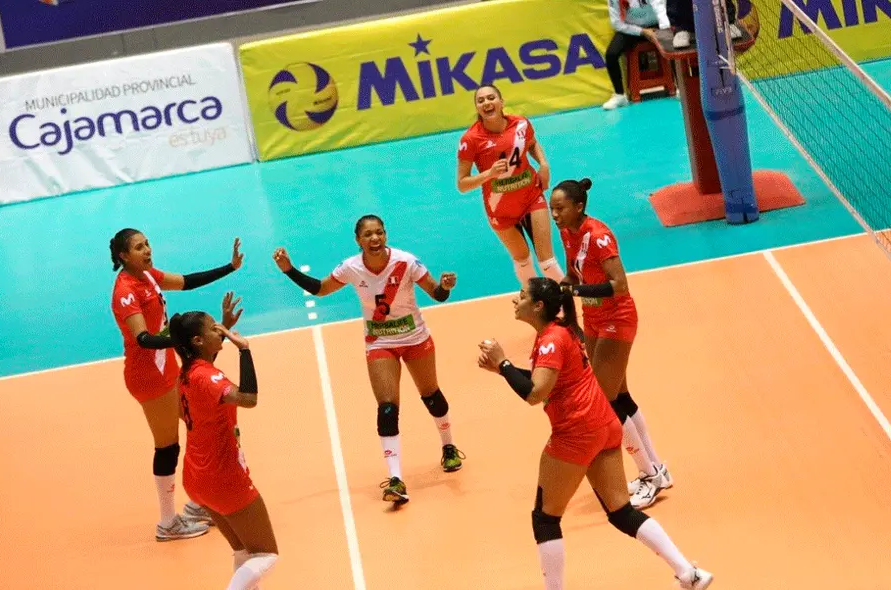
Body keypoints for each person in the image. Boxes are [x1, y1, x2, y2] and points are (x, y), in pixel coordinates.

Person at [477, 278, 713, 590]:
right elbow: (548, 381)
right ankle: (689, 573)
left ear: (537, 306)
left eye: (521, 296)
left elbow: (535, 393)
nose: (514, 301)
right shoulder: (560, 333)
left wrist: (503, 361)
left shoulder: (550, 340)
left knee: (545, 519)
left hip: (576, 433)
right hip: (604, 426)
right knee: (621, 512)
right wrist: (502, 371)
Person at [272, 214, 463, 504]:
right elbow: (321, 289)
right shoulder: (351, 268)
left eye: (380, 233)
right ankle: (396, 479)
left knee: (432, 396)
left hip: (415, 339)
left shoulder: (406, 261)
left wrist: (446, 286)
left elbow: (437, 294)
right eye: (368, 235)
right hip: (380, 342)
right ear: (358, 240)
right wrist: (289, 270)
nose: (375, 239)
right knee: (387, 408)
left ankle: (448, 447)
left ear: (385, 235)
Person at [109, 227, 244, 540]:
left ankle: (198, 504)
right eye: (139, 247)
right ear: (123, 256)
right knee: (168, 445)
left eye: (147, 244)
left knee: (203, 425)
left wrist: (230, 267)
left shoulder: (148, 275)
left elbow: (186, 281)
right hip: (148, 376)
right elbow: (144, 339)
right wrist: (184, 338)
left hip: (167, 368)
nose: (147, 250)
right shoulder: (126, 291)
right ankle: (168, 522)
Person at [548, 179, 671, 509]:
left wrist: (575, 292)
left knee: (604, 402)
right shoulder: (568, 233)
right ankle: (658, 468)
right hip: (594, 319)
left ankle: (650, 476)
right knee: (620, 395)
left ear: (578, 207)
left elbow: (619, 285)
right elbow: (575, 276)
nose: (555, 215)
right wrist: (560, 291)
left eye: (560, 208)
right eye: (552, 209)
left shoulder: (599, 237)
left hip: (617, 318)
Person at [168, 303, 279, 590]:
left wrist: (222, 329)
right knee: (266, 554)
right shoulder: (208, 377)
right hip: (224, 477)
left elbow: (206, 375)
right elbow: (248, 398)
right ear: (198, 340)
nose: (221, 330)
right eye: (214, 327)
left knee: (243, 552)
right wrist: (244, 349)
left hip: (196, 478)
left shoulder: (187, 373)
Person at [456, 84, 565, 288]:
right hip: (500, 208)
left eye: (491, 98)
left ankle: (570, 301)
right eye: (481, 101)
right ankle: (538, 306)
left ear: (501, 102)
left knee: (547, 262)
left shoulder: (521, 124)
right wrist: (489, 174)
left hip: (531, 195)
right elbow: (462, 184)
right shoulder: (470, 139)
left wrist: (543, 164)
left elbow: (531, 144)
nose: (487, 103)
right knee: (523, 259)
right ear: (477, 108)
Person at [602, 0, 671, 111]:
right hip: (631, 28)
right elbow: (616, 23)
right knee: (611, 54)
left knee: (672, 45)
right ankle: (620, 95)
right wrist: (642, 31)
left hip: (657, 23)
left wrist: (664, 30)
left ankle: (679, 87)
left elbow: (660, 8)